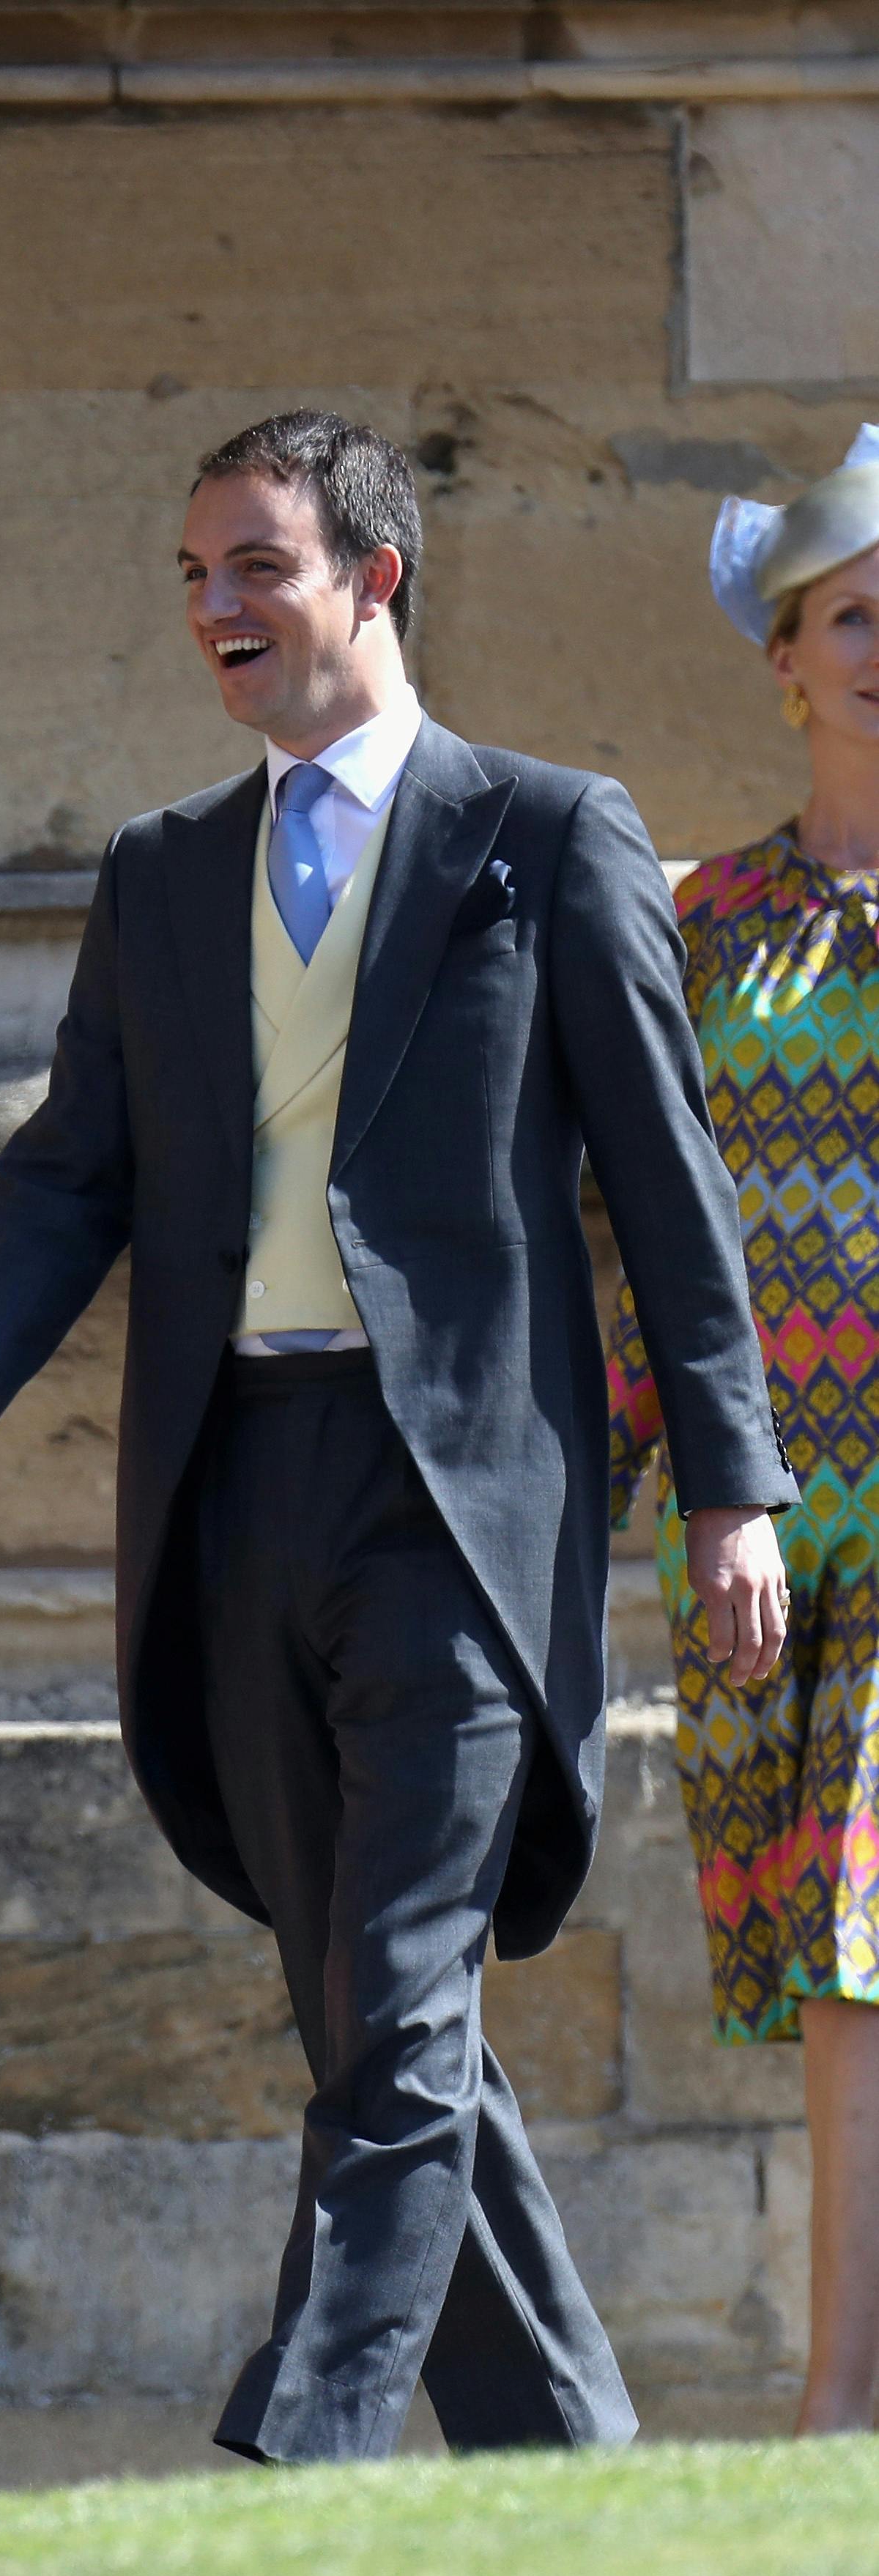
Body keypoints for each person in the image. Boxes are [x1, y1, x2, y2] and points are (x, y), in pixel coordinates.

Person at [0, 410, 795, 2465]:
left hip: (460, 1497)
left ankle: (295, 2447)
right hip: (230, 1490)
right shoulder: (161, 870)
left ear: (375, 577)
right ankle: (571, 2453)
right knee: (369, 2017)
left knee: (397, 1991)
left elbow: (671, 1181)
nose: (217, 608)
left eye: (256, 566)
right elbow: (69, 1173)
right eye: (195, 576)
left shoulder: (549, 835)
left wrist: (733, 1480)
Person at [607, 427, 879, 2435]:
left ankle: (836, 2404)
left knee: (869, 1938)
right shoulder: (695, 924)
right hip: (787, 1524)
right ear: (784, 659)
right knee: (836, 1968)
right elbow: (634, 1240)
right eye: (856, 613)